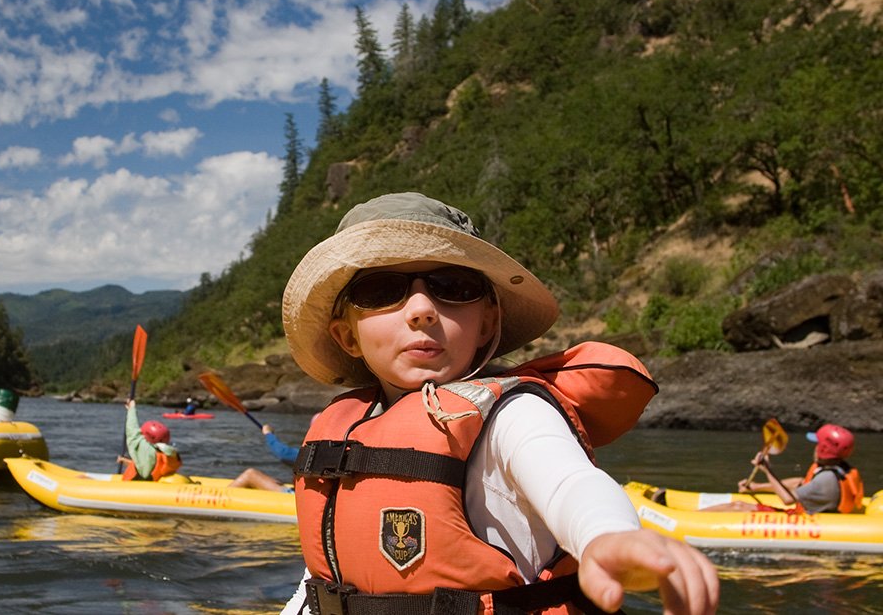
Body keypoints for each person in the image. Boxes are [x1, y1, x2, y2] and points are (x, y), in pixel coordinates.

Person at [278, 193, 718, 614]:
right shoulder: (343, 428)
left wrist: (608, 537)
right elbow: (320, 585)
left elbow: (571, 485)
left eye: (452, 285)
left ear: (487, 322)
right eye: (380, 290)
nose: (421, 309)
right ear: (347, 336)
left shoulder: (514, 415)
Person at [707, 423, 864, 514]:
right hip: (813, 513)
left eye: (817, 444)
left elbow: (788, 499)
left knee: (738, 506)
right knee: (740, 504)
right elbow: (800, 482)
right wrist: (757, 487)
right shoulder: (838, 469)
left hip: (808, 521)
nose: (815, 447)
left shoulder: (826, 479)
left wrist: (767, 470)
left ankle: (685, 521)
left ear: (824, 449)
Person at [228, 419, 308, 492]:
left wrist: (268, 434)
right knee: (274, 481)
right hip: (303, 495)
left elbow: (283, 453)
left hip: (295, 498)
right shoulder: (317, 452)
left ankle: (222, 498)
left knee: (250, 475)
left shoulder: (312, 454)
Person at [118, 399, 181, 481]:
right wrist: (124, 460)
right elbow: (143, 464)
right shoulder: (169, 454)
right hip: (154, 485)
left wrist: (131, 409)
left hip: (136, 488)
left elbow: (132, 429)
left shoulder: (144, 448)